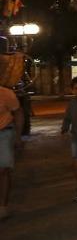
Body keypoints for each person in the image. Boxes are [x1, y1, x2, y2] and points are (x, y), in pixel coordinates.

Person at [0, 83, 24, 220]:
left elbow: (18, 113)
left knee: (3, 170)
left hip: (4, 132)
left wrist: (18, 136)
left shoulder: (6, 93)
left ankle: (2, 206)